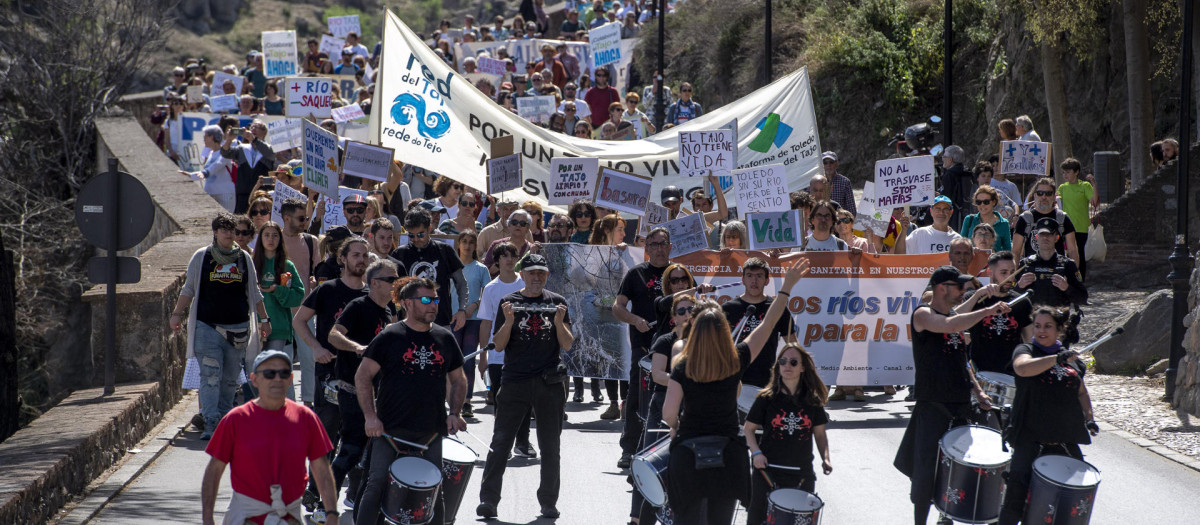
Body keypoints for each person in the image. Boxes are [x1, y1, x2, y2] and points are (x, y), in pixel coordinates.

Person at [662, 258, 811, 524]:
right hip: (728, 454)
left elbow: (669, 413)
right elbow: (768, 325)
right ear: (724, 330)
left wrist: (676, 426)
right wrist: (786, 287)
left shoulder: (681, 364)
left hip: (688, 451)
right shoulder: (736, 358)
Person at [894, 266, 1008, 525]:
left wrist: (978, 390)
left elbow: (962, 361)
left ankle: (947, 516)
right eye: (959, 287)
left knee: (958, 468)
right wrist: (987, 309)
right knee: (925, 472)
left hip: (960, 405)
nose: (961, 291)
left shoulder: (953, 317)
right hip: (933, 405)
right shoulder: (923, 315)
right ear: (942, 287)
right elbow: (950, 322)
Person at [354, 277, 468, 525]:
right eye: (426, 300)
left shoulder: (444, 338)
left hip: (431, 430)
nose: (433, 305)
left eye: (435, 299)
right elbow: (363, 376)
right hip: (389, 429)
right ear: (407, 303)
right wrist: (370, 417)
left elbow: (459, 379)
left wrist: (455, 412)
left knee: (434, 492)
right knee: (375, 486)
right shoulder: (390, 336)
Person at [476, 254, 574, 520]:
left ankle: (548, 502)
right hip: (515, 380)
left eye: (541, 273)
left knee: (550, 447)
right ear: (523, 275)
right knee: (500, 443)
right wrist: (508, 322)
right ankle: (488, 500)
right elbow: (498, 344)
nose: (537, 277)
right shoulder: (510, 302)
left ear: (547, 275)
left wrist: (557, 323)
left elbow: (567, 344)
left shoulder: (558, 303)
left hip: (549, 382)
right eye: (532, 273)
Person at [201, 350, 339, 525]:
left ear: (290, 380)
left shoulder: (306, 418)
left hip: (290, 517)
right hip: (246, 518)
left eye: (283, 373)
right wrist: (207, 517)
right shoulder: (235, 419)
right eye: (269, 374)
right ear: (255, 379)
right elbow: (214, 470)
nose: (277, 379)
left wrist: (332, 513)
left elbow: (322, 469)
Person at [170, 212, 270, 438]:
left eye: (231, 229)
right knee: (211, 376)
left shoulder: (243, 258)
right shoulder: (202, 256)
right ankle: (211, 422)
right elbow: (189, 289)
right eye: (222, 229)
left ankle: (225, 421)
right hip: (208, 327)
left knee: (229, 380)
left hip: (238, 329)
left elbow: (254, 293)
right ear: (215, 232)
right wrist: (177, 314)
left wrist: (264, 320)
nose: (227, 233)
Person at [997, 305, 1100, 525]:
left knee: (1076, 494)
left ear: (1059, 329)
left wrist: (1089, 418)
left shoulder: (1074, 361)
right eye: (1037, 326)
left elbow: (1081, 392)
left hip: (1064, 436)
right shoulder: (1025, 351)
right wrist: (1056, 359)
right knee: (1015, 498)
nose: (1041, 330)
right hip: (1030, 435)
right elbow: (1022, 369)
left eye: (1048, 326)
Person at [291, 237, 369, 520]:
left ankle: (351, 495)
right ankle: (314, 490)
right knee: (327, 438)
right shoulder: (327, 291)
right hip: (330, 377)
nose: (361, 260)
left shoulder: (373, 294)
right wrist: (316, 348)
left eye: (365, 255)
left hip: (363, 379)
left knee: (359, 438)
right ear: (343, 259)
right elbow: (299, 320)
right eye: (356, 255)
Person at [325, 259, 398, 507]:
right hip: (352, 388)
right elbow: (333, 335)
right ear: (374, 283)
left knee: (370, 452)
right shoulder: (358, 306)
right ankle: (324, 502)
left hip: (379, 392)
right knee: (352, 448)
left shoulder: (388, 311)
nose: (395, 284)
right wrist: (358, 348)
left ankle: (355, 498)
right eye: (390, 280)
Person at [743, 344, 832, 525]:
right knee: (756, 520)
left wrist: (826, 458)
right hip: (767, 472)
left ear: (802, 368)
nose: (787, 366)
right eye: (782, 361)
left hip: (801, 474)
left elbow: (820, 436)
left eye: (793, 362)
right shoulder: (766, 398)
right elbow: (748, 429)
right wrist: (756, 453)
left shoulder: (812, 400)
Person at [610, 228, 671, 466]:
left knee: (671, 397)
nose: (657, 248)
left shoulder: (679, 274)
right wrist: (635, 320)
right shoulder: (636, 274)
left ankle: (667, 451)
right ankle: (629, 450)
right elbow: (618, 306)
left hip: (674, 351)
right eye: (653, 244)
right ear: (647, 248)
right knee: (636, 398)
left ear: (670, 246)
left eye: (662, 243)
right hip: (644, 348)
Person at [477, 242, 537, 455]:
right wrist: (483, 356)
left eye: (513, 255)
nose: (509, 259)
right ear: (498, 260)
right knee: (501, 402)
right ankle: (501, 443)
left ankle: (522, 442)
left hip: (525, 354)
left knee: (525, 402)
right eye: (504, 256)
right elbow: (485, 323)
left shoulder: (527, 285)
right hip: (497, 355)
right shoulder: (491, 289)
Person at [722, 257, 798, 388]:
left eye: (759, 276)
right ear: (743, 279)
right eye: (750, 276)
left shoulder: (776, 308)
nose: (754, 281)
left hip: (766, 381)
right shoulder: (727, 309)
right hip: (734, 379)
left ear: (767, 280)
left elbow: (792, 344)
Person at [390, 208, 470, 330]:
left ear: (429, 228)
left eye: (421, 234)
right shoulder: (399, 254)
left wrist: (462, 310)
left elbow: (461, 283)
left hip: (440, 321)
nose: (416, 239)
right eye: (411, 235)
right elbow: (392, 289)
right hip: (408, 323)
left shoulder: (444, 251)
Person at [252, 221, 306, 399]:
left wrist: (278, 290)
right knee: (256, 373)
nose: (270, 239)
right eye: (266, 235)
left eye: (275, 235)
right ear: (260, 239)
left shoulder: (287, 266)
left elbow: (298, 295)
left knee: (279, 372)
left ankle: (288, 413)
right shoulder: (251, 264)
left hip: (279, 328)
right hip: (255, 329)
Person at [955, 251, 1032, 375]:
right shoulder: (975, 298)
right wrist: (977, 294)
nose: (1010, 278)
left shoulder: (1021, 302)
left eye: (1012, 272)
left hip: (1010, 373)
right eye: (1004, 273)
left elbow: (1029, 341)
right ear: (990, 272)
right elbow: (953, 320)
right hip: (979, 371)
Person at [452, 229, 489, 418]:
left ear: (475, 246)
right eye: (463, 241)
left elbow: (487, 296)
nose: (467, 245)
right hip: (452, 318)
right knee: (452, 360)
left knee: (468, 358)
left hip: (473, 320)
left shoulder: (481, 269)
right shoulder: (450, 266)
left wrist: (474, 305)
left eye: (471, 242)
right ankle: (451, 400)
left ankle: (467, 400)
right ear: (458, 243)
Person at [1014, 217, 1088, 311]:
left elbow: (1083, 298)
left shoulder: (1068, 265)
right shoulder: (1025, 265)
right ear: (1036, 237)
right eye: (1042, 234)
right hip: (1032, 321)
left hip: (1059, 320)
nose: (1045, 237)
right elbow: (1010, 298)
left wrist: (1067, 288)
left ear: (1056, 238)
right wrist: (1019, 286)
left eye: (1049, 234)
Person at [1012, 177, 1081, 267]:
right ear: (1035, 195)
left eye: (1048, 193)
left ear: (1054, 196)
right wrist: (1015, 276)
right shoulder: (1024, 219)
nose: (1044, 197)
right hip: (1031, 273)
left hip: (1058, 272)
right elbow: (1016, 252)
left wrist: (1073, 276)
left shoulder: (1063, 218)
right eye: (1040, 193)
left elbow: (1072, 250)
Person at [178, 125, 237, 212]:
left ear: (211, 137)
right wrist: (191, 175)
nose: (203, 139)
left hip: (225, 193)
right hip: (210, 192)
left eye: (205, 136)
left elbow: (218, 165)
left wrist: (203, 173)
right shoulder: (210, 153)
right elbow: (208, 170)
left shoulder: (226, 152)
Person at [1057, 158, 1099, 279]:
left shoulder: (1084, 186)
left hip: (1081, 228)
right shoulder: (1062, 188)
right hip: (1064, 228)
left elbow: (1094, 202)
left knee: (1080, 255)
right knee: (1064, 255)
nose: (1065, 175)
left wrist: (1094, 185)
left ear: (1076, 172)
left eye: (1068, 172)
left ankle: (1080, 281)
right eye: (1064, 172)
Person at [482, 209, 540, 274]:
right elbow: (484, 272)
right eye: (514, 222)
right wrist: (499, 265)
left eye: (522, 223)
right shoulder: (496, 245)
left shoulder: (532, 250)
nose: (518, 225)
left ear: (527, 228)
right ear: (509, 225)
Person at [960, 185, 1012, 251]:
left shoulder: (1004, 223)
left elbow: (1007, 249)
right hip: (973, 260)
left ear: (994, 202)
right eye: (979, 202)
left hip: (995, 260)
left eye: (986, 202)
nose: (982, 205)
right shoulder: (969, 220)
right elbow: (961, 245)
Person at [940, 145, 972, 231]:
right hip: (968, 210)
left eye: (944, 156)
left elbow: (946, 197)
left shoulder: (949, 175)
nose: (943, 159)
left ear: (950, 159)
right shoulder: (967, 172)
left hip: (954, 214)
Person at [817, 152, 857, 216]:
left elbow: (852, 210)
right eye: (825, 163)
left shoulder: (845, 182)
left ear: (836, 164)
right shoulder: (816, 182)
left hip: (839, 222)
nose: (828, 165)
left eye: (831, 162)